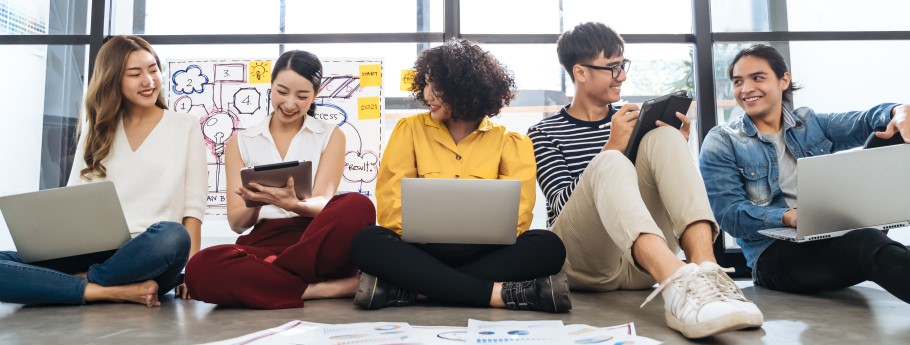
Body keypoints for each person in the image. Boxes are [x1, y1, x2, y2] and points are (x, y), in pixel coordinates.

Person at [526, 22, 763, 338]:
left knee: (665, 135)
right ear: (580, 73)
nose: (622, 76)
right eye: (612, 68)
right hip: (584, 264)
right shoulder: (543, 133)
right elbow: (560, 204)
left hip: (641, 264)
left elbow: (665, 193)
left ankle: (707, 276)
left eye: (623, 66)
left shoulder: (635, 121)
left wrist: (676, 145)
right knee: (610, 161)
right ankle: (677, 282)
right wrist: (611, 147)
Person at [349, 39, 570, 313]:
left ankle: (414, 289)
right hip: (420, 249)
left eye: (436, 86)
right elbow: (391, 207)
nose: (427, 94)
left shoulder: (512, 142)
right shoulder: (409, 130)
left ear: (464, 88)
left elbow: (519, 219)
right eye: (426, 83)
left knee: (548, 246)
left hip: (485, 252)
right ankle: (497, 293)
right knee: (367, 242)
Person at [0, 35, 207, 307]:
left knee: (172, 235)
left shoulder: (185, 126)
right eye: (135, 74)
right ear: (113, 80)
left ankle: (81, 281)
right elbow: (73, 200)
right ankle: (106, 291)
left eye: (153, 69)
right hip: (93, 252)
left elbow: (192, 212)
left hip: (149, 257)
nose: (149, 80)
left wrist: (190, 275)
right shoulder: (96, 130)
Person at [699, 43, 910, 304]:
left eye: (757, 78)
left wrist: (897, 111)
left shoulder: (808, 123)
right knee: (867, 242)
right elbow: (730, 215)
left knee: (893, 132)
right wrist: (788, 217)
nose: (746, 89)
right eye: (738, 81)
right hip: (776, 256)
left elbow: (866, 120)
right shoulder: (723, 140)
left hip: (836, 233)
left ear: (783, 80)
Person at [184, 50, 376, 309]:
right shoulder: (240, 142)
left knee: (357, 204)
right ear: (271, 88)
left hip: (315, 238)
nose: (289, 103)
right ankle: (321, 289)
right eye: (282, 92)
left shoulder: (330, 135)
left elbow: (323, 202)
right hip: (265, 243)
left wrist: (293, 204)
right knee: (200, 267)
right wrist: (258, 202)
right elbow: (237, 224)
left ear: (315, 96)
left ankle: (275, 276)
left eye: (302, 96)